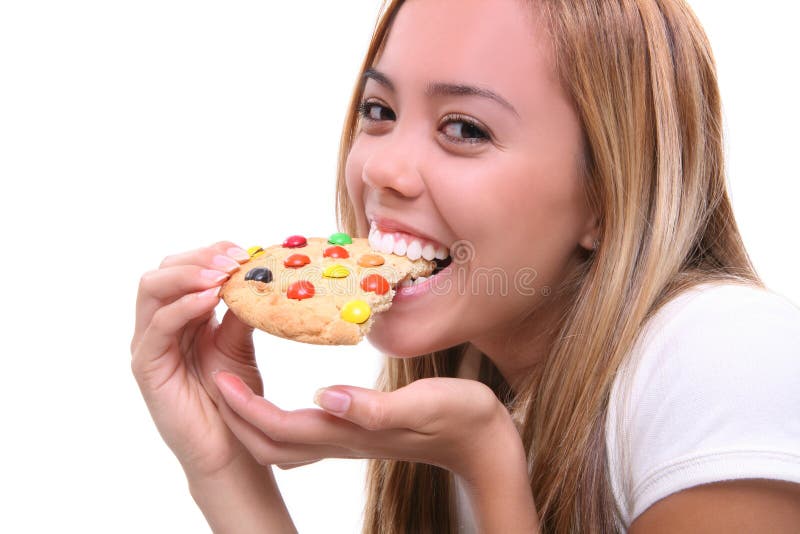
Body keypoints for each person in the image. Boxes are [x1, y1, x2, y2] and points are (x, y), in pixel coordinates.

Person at [131, 0, 800, 532]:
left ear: (606, 196)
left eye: (466, 129)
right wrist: (221, 468)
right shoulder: (473, 392)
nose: (382, 169)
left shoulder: (724, 356)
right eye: (379, 111)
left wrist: (489, 466)